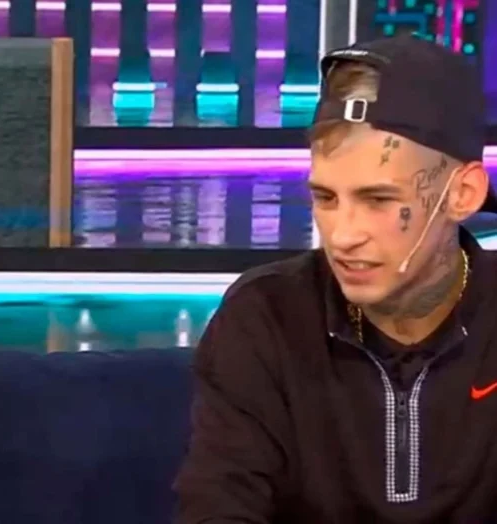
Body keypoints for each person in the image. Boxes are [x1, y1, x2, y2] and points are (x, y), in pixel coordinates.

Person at [174, 34, 497, 523]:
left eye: (378, 200)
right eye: (325, 198)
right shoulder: (266, 318)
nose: (343, 236)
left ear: (463, 194)